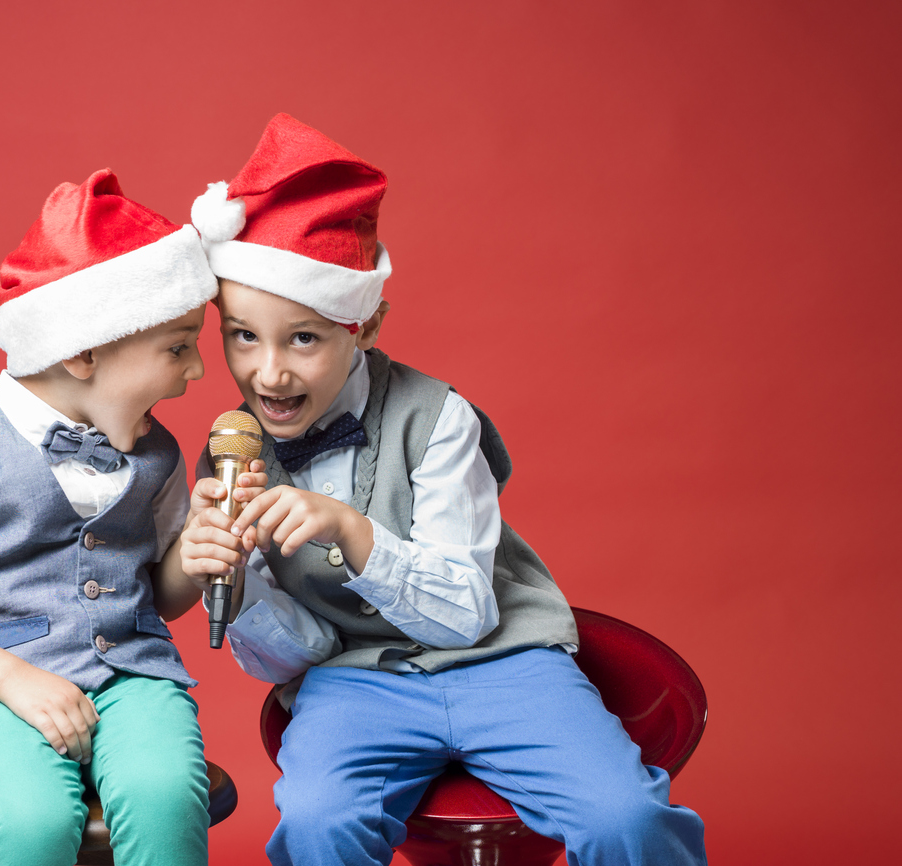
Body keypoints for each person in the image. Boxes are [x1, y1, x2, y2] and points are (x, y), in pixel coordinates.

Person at [180, 114, 707, 866]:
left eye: (303, 337)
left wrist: (348, 529)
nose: (269, 373)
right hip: (354, 681)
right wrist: (234, 586)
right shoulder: (230, 455)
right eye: (242, 336)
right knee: (317, 822)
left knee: (623, 815)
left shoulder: (437, 418)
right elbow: (295, 657)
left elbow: (465, 614)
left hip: (503, 662)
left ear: (363, 326)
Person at [0, 169, 264, 866]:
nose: (199, 371)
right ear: (84, 352)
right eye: (177, 346)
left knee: (169, 794)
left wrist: (192, 558)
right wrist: (11, 680)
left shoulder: (159, 454)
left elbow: (153, 594)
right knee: (31, 820)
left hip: (133, 679)